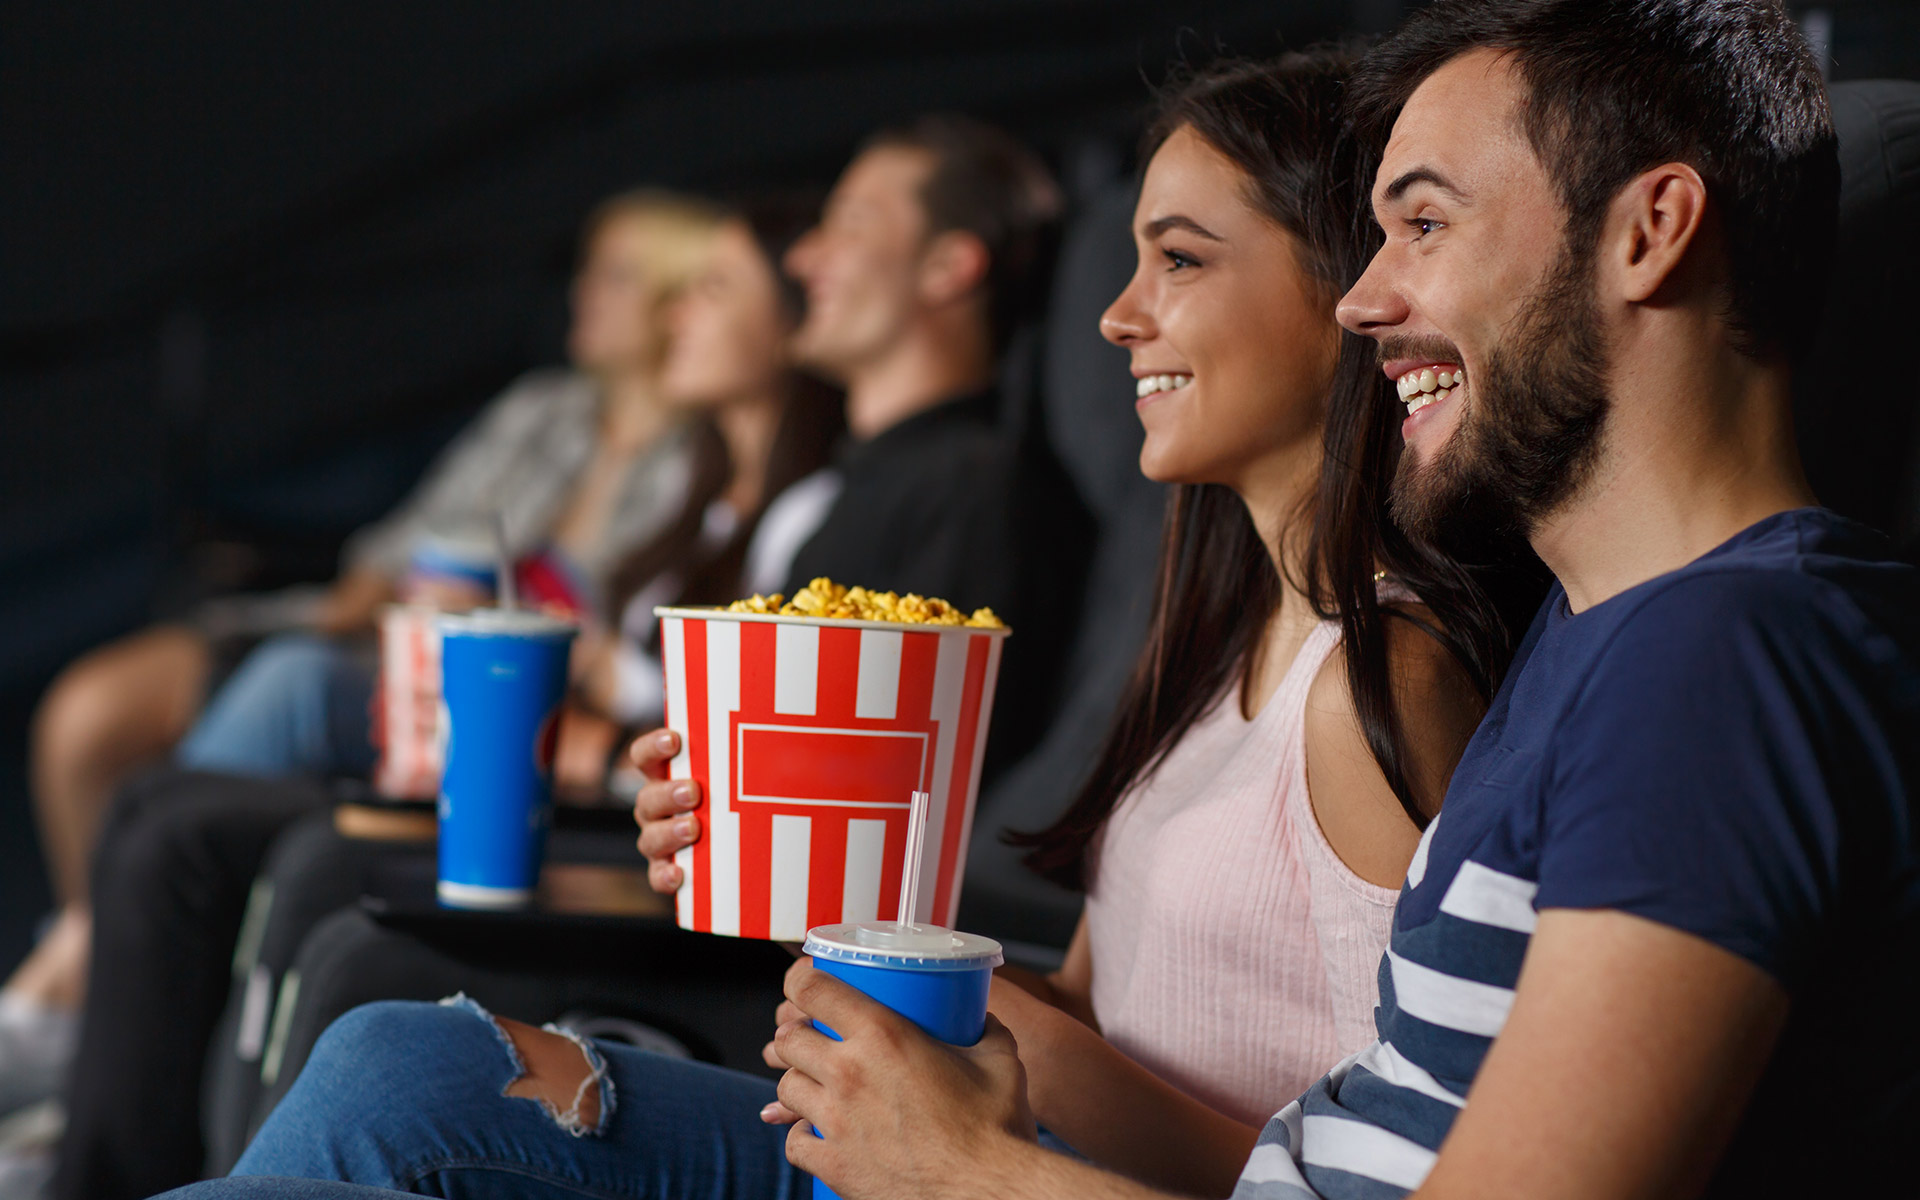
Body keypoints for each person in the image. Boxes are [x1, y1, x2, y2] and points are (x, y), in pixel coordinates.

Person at [200, 57, 1530, 1199]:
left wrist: (973, 1110)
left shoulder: (1388, 679)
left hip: (1015, 1177)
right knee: (397, 1053)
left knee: (405, 1084)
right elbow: (1079, 1013)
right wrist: (796, 878)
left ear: (1351, 292)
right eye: (1131, 263)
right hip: (953, 1143)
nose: (1122, 317)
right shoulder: (1215, 647)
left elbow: (1385, 1164)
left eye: (1179, 260)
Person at [712, 3, 1914, 1200]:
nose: (1361, 300)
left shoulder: (1723, 656)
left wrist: (974, 1172)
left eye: (1425, 225)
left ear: (1649, 231)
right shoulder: (1595, 638)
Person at [36, 196, 847, 1200]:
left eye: (702, 291)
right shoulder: (700, 501)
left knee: (280, 858)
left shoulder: (800, 498)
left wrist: (597, 744)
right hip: (567, 772)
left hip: (590, 806)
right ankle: (89, 1061)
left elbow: (745, 746)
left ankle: (79, 1056)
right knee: (170, 801)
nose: (678, 314)